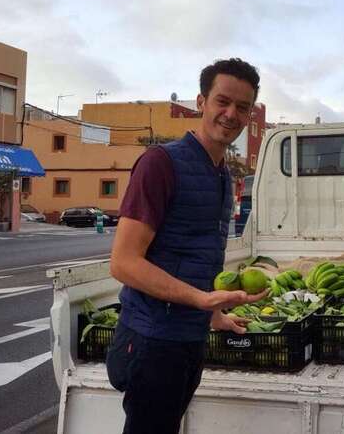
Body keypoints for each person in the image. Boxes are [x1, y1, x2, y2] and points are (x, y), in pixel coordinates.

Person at [106, 58, 268, 434]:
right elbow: (124, 262)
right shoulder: (160, 164)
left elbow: (197, 254)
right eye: (222, 101)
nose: (231, 114)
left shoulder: (223, 175)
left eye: (242, 107)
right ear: (201, 102)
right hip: (152, 339)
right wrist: (200, 300)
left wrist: (213, 314)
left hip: (188, 338)